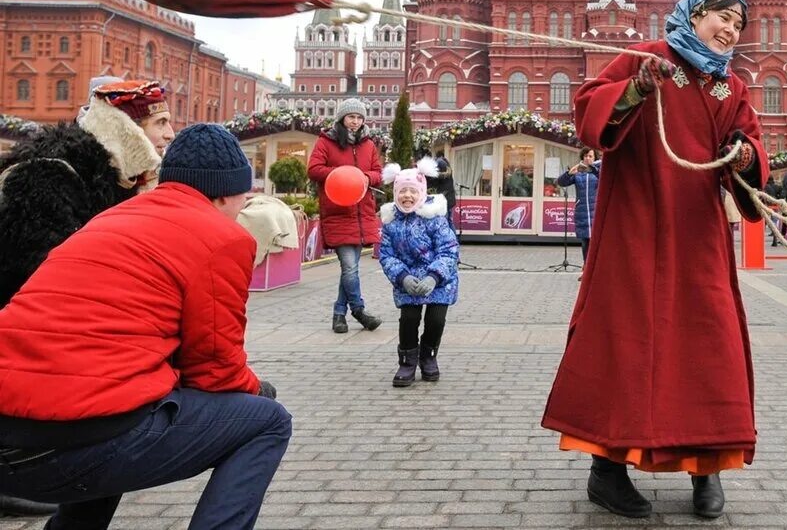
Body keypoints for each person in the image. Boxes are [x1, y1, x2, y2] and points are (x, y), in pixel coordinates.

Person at [541, 0, 766, 521]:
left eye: (739, 23)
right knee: (622, 341)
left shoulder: (729, 85)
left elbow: (752, 143)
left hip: (697, 233)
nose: (731, 29)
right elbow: (588, 111)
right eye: (722, 17)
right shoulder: (645, 57)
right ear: (693, 15)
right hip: (633, 226)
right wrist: (636, 90)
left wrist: (743, 155)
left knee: (708, 341)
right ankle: (606, 472)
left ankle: (707, 467)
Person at [0, 124, 291, 530]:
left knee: (122, 395)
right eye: (242, 199)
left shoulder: (110, 220)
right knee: (267, 421)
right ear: (224, 193)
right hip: (71, 447)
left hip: (9, 439)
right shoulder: (222, 237)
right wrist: (257, 390)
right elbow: (215, 368)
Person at [0, 79, 175, 309]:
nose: (170, 134)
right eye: (160, 123)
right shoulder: (48, 175)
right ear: (126, 130)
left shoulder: (120, 182)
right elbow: (49, 277)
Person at [379, 159, 460, 388]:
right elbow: (386, 255)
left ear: (421, 193)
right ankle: (406, 361)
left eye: (412, 191)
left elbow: (449, 250)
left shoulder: (434, 218)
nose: (407, 196)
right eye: (402, 191)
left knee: (435, 320)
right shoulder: (391, 221)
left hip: (439, 280)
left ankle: (428, 356)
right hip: (407, 279)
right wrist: (402, 277)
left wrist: (434, 276)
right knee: (409, 319)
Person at [307, 98, 384, 333]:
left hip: (362, 214)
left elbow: (378, 173)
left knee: (349, 269)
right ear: (342, 118)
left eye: (360, 118)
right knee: (350, 267)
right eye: (351, 117)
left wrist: (364, 177)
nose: (355, 122)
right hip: (338, 212)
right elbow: (314, 169)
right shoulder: (326, 141)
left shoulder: (368, 144)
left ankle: (338, 314)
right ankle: (359, 311)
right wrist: (343, 175)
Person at [556, 148, 601, 264]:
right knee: (585, 241)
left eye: (590, 156)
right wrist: (569, 173)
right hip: (582, 211)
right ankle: (586, 268)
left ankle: (595, 269)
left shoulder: (599, 170)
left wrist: (594, 169)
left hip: (596, 211)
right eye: (586, 156)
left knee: (596, 241)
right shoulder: (578, 172)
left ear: (595, 158)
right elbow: (561, 182)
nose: (588, 158)